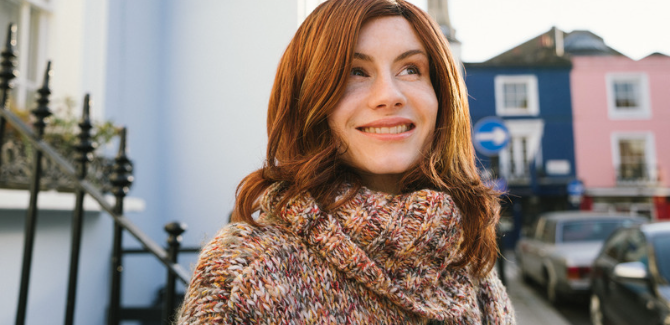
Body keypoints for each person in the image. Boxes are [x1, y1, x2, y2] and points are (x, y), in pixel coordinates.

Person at [177, 0, 515, 323]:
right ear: (309, 96)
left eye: (411, 69)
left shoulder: (467, 263)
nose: (389, 95)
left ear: (441, 95)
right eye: (356, 71)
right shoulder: (246, 269)